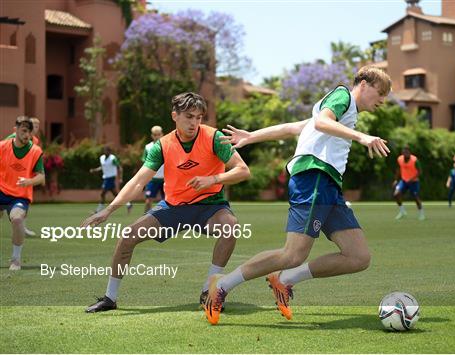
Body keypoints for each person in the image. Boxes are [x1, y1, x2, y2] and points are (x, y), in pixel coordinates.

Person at [203, 66, 391, 325]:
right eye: (380, 92)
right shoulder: (342, 96)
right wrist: (362, 137)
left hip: (329, 185)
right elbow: (320, 122)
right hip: (313, 176)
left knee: (358, 257)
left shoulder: (344, 110)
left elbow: (296, 127)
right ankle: (221, 284)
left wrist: (251, 136)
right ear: (364, 84)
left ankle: (285, 279)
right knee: (292, 255)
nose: (382, 100)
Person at [82, 92, 250, 313]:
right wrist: (109, 211)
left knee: (230, 226)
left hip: (210, 206)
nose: (194, 123)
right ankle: (110, 298)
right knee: (127, 237)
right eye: (189, 116)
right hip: (174, 207)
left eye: (199, 117)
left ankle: (210, 290)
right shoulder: (161, 146)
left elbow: (243, 170)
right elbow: (137, 182)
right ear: (175, 116)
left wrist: (214, 179)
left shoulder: (214, 137)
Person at [0, 116, 45, 270]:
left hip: (19, 195)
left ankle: (15, 259)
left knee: (17, 219)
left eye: (30, 132)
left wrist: (29, 181)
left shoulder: (35, 150)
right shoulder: (3, 146)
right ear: (15, 130)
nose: (27, 135)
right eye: (24, 131)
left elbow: (41, 176)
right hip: (1, 190)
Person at [4, 117, 42, 237]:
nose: (36, 128)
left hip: (23, 179)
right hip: (8, 178)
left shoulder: (35, 141)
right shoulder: (12, 138)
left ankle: (22, 227)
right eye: (34, 125)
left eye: (37, 126)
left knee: (22, 205)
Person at [89, 146, 132, 214]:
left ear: (110, 152)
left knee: (103, 193)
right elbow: (102, 167)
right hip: (106, 177)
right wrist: (95, 170)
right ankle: (128, 204)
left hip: (111, 178)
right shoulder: (102, 158)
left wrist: (120, 178)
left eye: (107, 151)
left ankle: (98, 211)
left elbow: (119, 168)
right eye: (105, 151)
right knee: (116, 195)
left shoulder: (113, 158)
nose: (106, 152)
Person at [392, 146, 425, 220]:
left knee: (415, 197)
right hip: (403, 181)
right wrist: (396, 180)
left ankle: (421, 213)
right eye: (404, 152)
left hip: (414, 182)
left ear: (410, 152)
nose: (405, 154)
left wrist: (411, 178)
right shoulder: (400, 159)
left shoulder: (415, 160)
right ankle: (402, 211)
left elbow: (420, 172)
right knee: (396, 194)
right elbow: (398, 169)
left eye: (407, 152)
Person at [142, 126, 165, 213]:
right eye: (155, 135)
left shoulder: (167, 146)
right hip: (152, 179)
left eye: (159, 134)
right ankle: (145, 219)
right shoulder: (148, 147)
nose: (157, 136)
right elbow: (144, 164)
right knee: (148, 201)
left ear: (162, 134)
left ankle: (168, 222)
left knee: (168, 202)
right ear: (152, 135)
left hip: (165, 179)